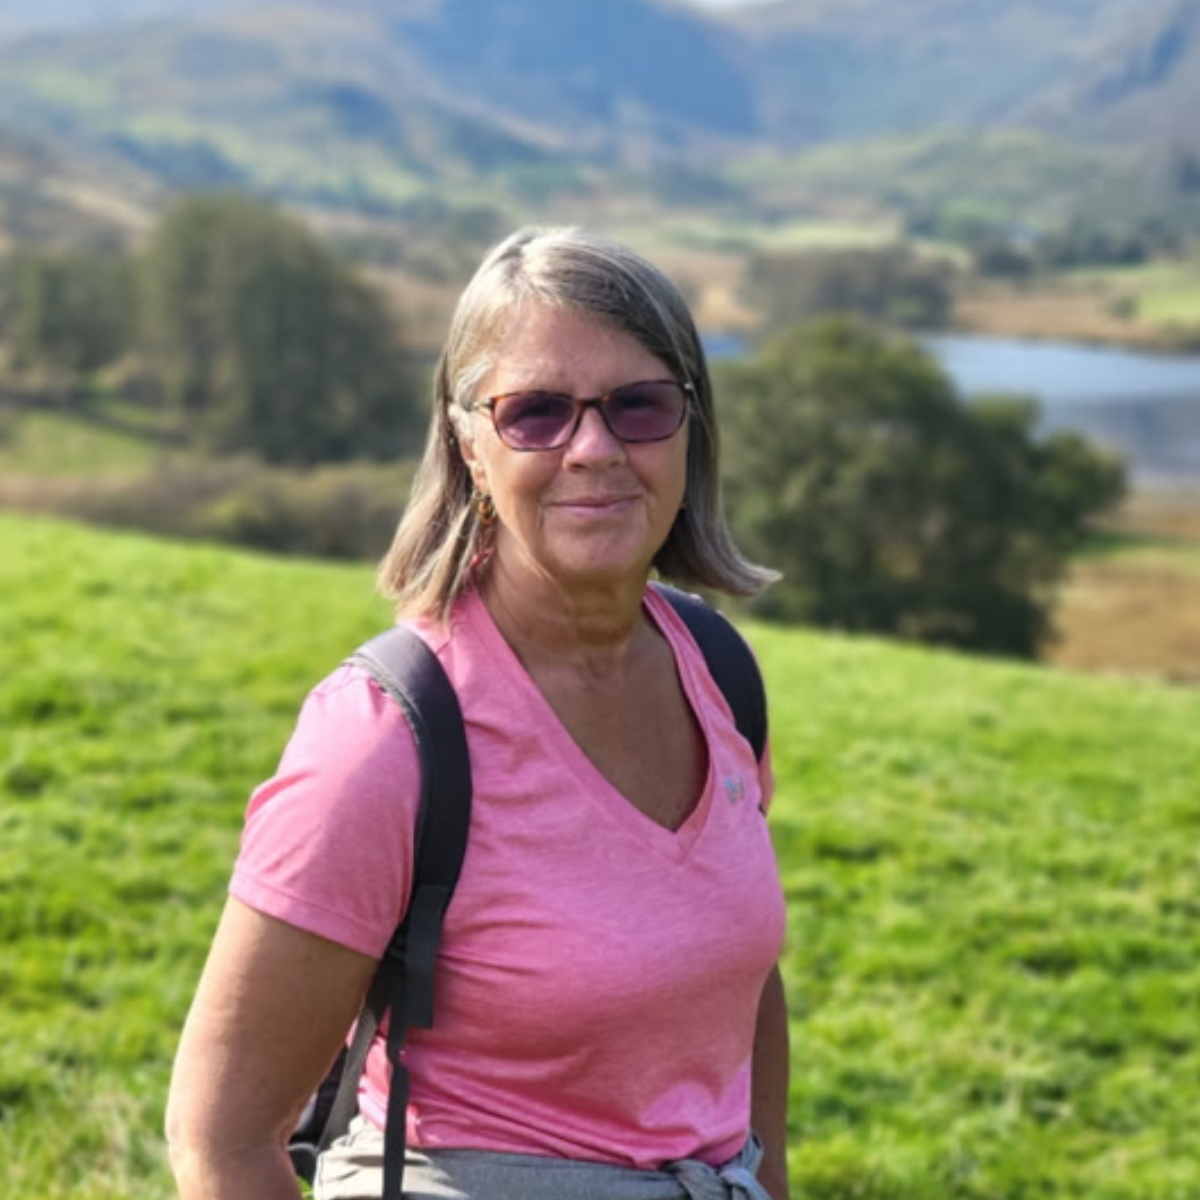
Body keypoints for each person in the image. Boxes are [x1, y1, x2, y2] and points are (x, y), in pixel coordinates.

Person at [166, 227, 791, 1200]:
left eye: (639, 405)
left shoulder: (715, 672)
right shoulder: (385, 739)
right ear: (469, 442)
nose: (594, 449)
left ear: (689, 427)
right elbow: (220, 1142)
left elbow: (741, 990)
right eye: (536, 413)